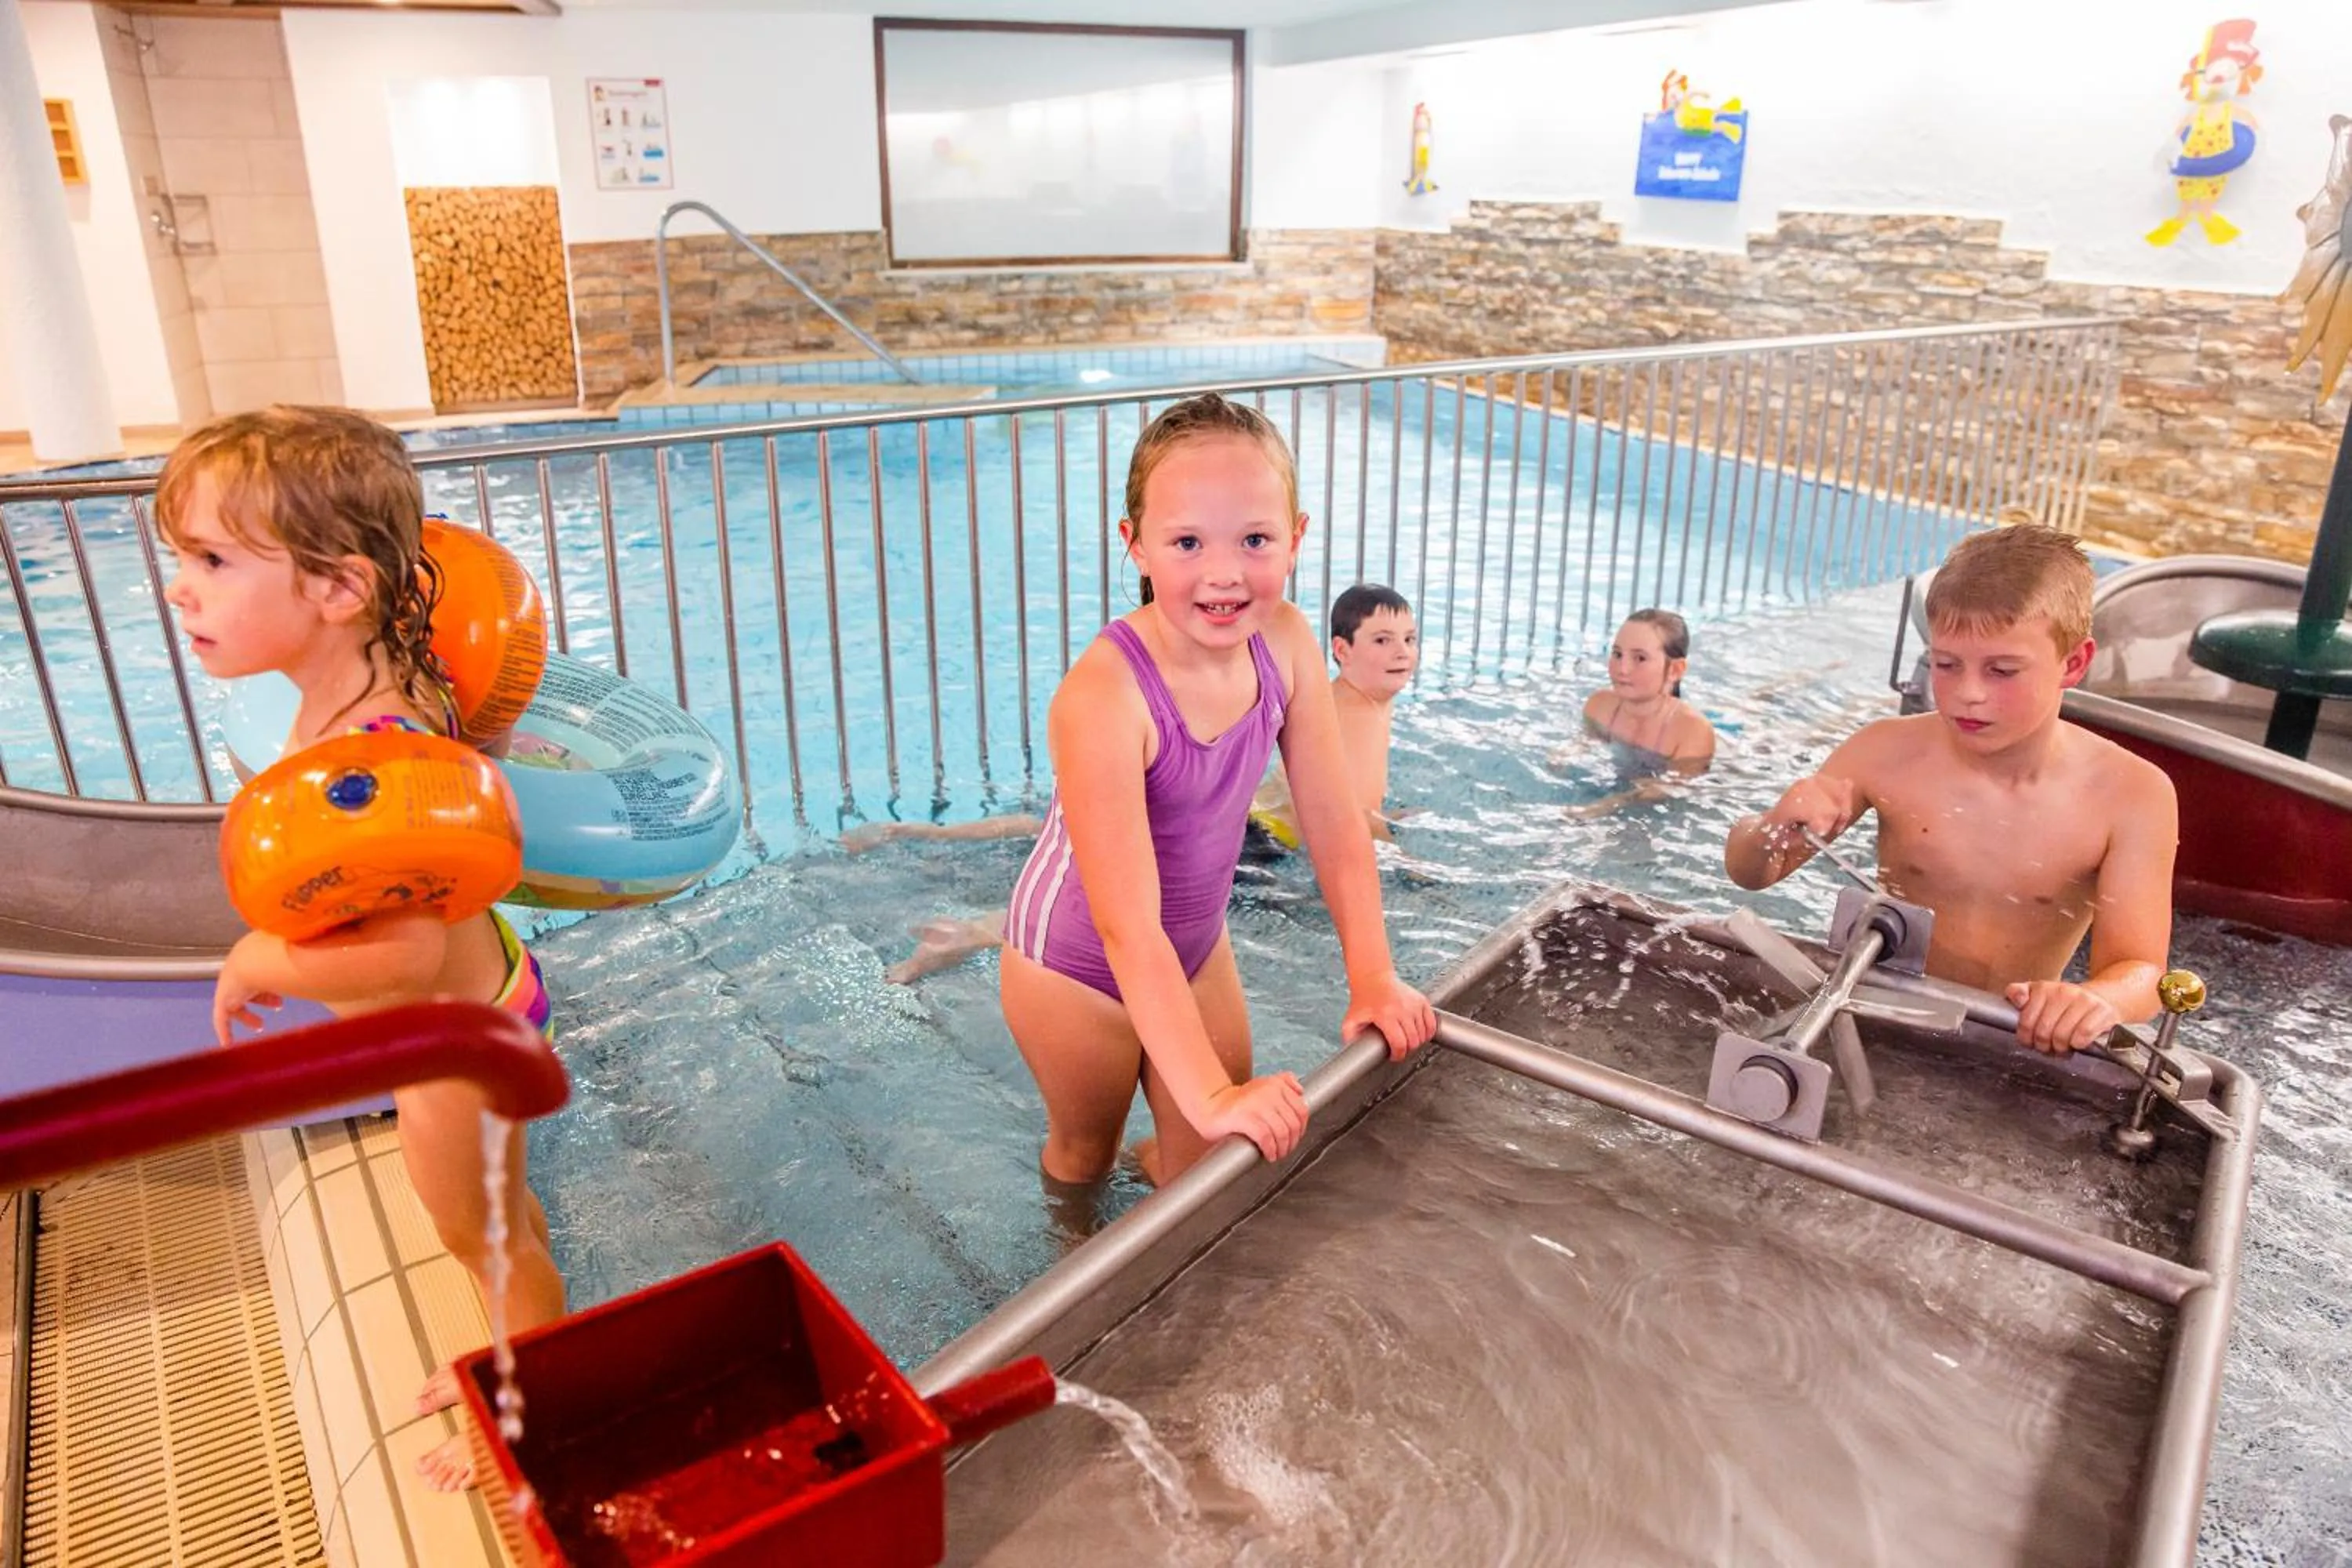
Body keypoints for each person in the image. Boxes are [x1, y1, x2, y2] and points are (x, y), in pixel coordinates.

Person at [157, 406, 562, 1492]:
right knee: (486, 1221)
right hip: (471, 1011)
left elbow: (398, 959)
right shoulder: (376, 694)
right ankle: (499, 1353)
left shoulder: (373, 754)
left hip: (452, 1049)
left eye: (210, 559)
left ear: (339, 590)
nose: (179, 587)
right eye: (179, 557)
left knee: (487, 1238)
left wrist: (258, 962)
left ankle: (526, 1411)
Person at [1000, 394, 1435, 1193]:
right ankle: (1069, 1265)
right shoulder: (1103, 695)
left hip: (1196, 945)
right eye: (1189, 541)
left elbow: (1336, 822)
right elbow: (1126, 925)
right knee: (1083, 1160)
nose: (1225, 572)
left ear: (1296, 538)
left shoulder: (1287, 643)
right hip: (1074, 968)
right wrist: (1208, 1091)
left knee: (1208, 1168)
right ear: (1135, 546)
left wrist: (1373, 974)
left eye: (1256, 539)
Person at [1723, 524, 2176, 1054]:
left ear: (2073, 663)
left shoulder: (2131, 793)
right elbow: (1751, 874)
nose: (1969, 694)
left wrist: (2096, 1000)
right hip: (1873, 1018)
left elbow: (2141, 971)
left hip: (2006, 1039)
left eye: (2002, 670)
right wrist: (1775, 825)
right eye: (1946, 664)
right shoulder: (1884, 751)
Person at [873, 583, 1420, 983]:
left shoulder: (1369, 703)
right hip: (1259, 843)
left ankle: (923, 834)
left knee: (1064, 835)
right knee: (1116, 896)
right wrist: (1396, 852)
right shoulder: (1348, 709)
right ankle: (975, 932)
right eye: (1382, 640)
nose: (1401, 652)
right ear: (1342, 652)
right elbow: (1330, 808)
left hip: (1246, 822)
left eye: (1409, 639)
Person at [1562, 608, 1716, 817]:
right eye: (1617, 654)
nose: (1622, 668)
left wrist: (1608, 805)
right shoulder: (1600, 705)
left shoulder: (1692, 731)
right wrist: (1569, 753)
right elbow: (1589, 739)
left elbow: (1672, 787)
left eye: (1640, 658)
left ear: (1675, 670)